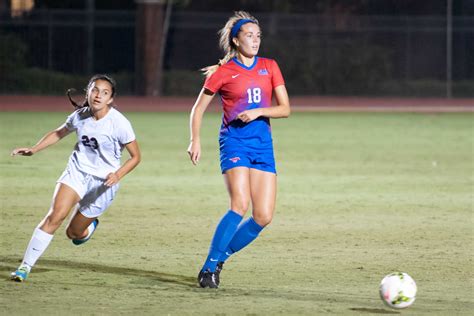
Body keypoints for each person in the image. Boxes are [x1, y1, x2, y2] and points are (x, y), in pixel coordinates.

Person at [187, 11, 291, 288]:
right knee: (239, 204)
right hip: (234, 142)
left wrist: (258, 112)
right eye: (249, 35)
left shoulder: (270, 66)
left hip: (262, 146)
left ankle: (219, 258)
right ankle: (209, 269)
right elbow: (198, 110)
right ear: (236, 40)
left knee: (263, 216)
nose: (255, 40)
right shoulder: (224, 72)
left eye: (258, 36)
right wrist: (194, 139)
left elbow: (285, 109)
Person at [10, 74, 141, 282]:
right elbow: (59, 132)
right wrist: (34, 149)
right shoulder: (80, 116)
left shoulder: (119, 123)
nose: (98, 95)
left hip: (103, 184)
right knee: (55, 216)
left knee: (73, 233)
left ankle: (87, 228)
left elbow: (136, 157)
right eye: (95, 90)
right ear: (88, 92)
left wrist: (117, 174)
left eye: (104, 93)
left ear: (111, 99)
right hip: (77, 172)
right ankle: (25, 267)